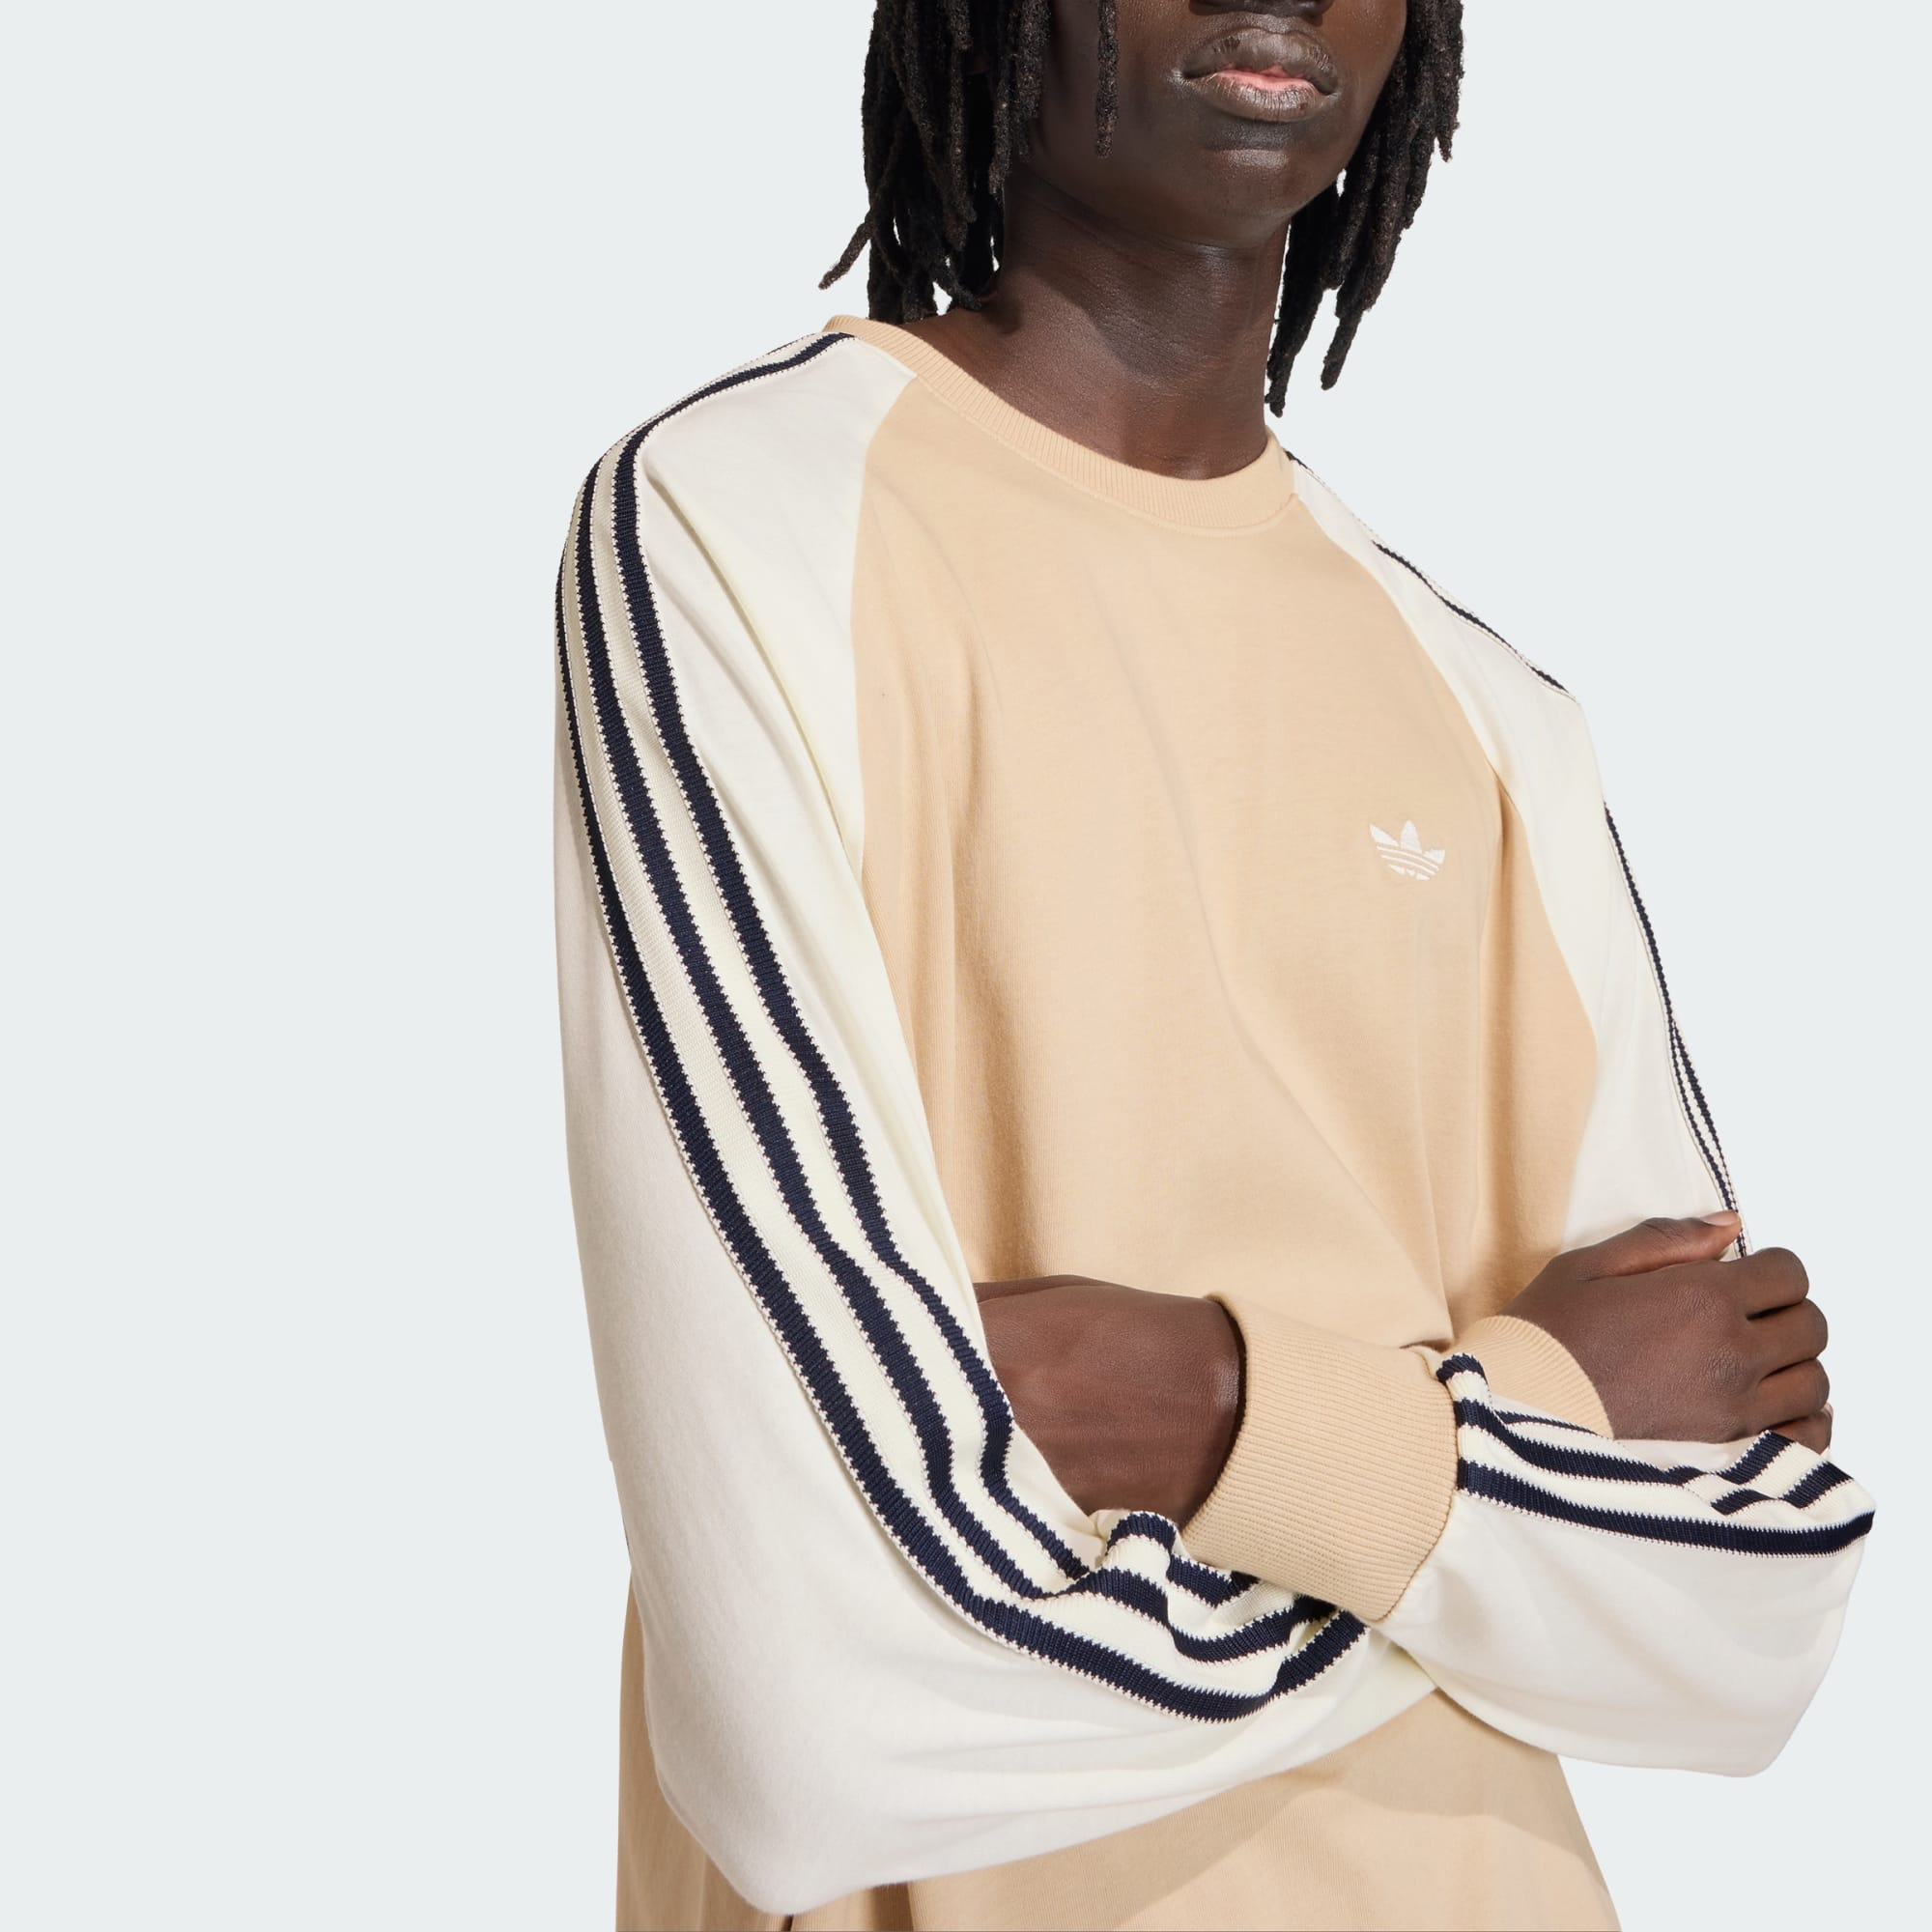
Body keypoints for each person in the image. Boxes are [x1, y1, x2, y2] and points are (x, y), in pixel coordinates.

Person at [552, 4, 1875, 1927]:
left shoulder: (1489, 708)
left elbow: (1744, 1614)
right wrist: (1536, 1430)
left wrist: (1207, 1403)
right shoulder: (732, 527)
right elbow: (821, 1711)